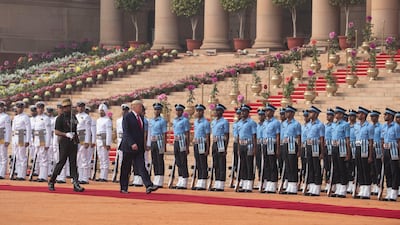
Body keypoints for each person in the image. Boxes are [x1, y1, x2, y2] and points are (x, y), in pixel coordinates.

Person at [119, 100, 158, 194]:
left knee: (141, 166)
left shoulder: (141, 118)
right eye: (140, 107)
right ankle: (123, 187)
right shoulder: (127, 117)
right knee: (126, 167)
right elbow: (126, 132)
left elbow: (142, 133)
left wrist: (143, 145)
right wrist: (132, 143)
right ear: (134, 107)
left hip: (139, 148)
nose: (141, 108)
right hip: (128, 147)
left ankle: (149, 185)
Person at [48, 98, 84, 192]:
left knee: (73, 163)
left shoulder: (73, 117)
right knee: (61, 162)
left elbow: (76, 128)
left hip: (73, 142)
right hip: (64, 142)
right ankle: (52, 180)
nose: (67, 109)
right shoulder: (60, 118)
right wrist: (66, 134)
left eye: (69, 107)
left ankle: (76, 183)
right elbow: (56, 131)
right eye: (66, 107)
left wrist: (76, 138)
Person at [280, 106, 301, 194]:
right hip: (285, 144)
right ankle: (289, 184)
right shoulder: (283, 123)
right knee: (287, 165)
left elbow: (299, 137)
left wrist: (299, 149)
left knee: (293, 165)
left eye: (288, 112)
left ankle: (293, 185)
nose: (286, 114)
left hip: (292, 144)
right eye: (286, 112)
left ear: (292, 113)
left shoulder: (296, 124)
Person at [354, 106, 374, 199]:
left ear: (364, 115)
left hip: (365, 148)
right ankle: (362, 188)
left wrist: (370, 155)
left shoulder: (369, 126)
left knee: (366, 169)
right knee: (360, 169)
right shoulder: (356, 125)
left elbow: (371, 141)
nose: (358, 115)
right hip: (358, 147)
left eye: (360, 113)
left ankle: (367, 189)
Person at [304, 106, 325, 196]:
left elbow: (322, 139)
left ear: (316, 114)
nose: (309, 114)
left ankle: (317, 187)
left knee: (316, 166)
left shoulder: (320, 125)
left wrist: (322, 152)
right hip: (308, 146)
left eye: (311, 112)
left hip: (316, 146)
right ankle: (311, 185)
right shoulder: (308, 125)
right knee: (310, 166)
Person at [331, 106, 350, 198]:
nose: (335, 115)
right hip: (334, 147)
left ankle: (343, 188)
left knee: (342, 168)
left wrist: (348, 152)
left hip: (342, 147)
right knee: (336, 168)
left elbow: (347, 139)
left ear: (342, 114)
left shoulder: (345, 124)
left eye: (337, 113)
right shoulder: (334, 124)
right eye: (335, 113)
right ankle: (338, 188)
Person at [237, 104, 257, 192]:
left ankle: (249, 183)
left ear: (248, 112)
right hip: (241, 145)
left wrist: (255, 148)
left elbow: (254, 136)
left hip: (249, 145)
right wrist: (238, 147)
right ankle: (244, 182)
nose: (242, 113)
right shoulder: (239, 123)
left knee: (249, 164)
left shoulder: (251, 123)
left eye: (244, 111)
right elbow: (238, 136)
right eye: (241, 111)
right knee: (243, 164)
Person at [381, 108, 399, 201]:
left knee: (394, 171)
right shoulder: (384, 127)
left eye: (386, 114)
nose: (385, 116)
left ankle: (394, 192)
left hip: (394, 150)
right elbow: (382, 140)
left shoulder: (396, 126)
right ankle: (389, 191)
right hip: (386, 150)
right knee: (387, 171)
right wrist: (383, 153)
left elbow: (399, 141)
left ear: (391, 116)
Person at [210, 104, 229, 191]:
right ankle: (216, 181)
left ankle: (221, 182)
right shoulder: (213, 122)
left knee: (221, 163)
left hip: (221, 143)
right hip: (214, 142)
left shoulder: (225, 122)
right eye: (216, 110)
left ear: (222, 112)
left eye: (218, 110)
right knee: (215, 163)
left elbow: (226, 135)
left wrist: (225, 147)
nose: (216, 112)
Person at [262, 104, 280, 193]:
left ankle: (273, 183)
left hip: (272, 144)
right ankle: (268, 182)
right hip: (265, 144)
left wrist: (277, 148)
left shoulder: (276, 122)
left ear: (272, 112)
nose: (266, 112)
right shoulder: (264, 122)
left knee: (272, 163)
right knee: (266, 164)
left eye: (268, 110)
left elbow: (277, 135)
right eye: (265, 111)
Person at [172, 104, 190, 189]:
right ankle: (180, 178)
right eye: (177, 110)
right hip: (176, 141)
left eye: (179, 110)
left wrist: (187, 146)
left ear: (182, 111)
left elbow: (187, 133)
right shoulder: (174, 120)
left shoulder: (185, 120)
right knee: (178, 161)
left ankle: (185, 179)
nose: (178, 112)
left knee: (183, 161)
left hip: (182, 141)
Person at [192, 104, 210, 190]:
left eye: (200, 111)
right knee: (198, 162)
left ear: (203, 112)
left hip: (203, 143)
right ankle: (199, 180)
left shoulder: (205, 122)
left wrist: (207, 148)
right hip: (196, 143)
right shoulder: (195, 121)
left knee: (203, 162)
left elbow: (207, 136)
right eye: (197, 110)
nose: (198, 112)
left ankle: (203, 180)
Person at [32, 102, 52, 182]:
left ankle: (43, 176)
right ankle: (40, 175)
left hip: (42, 137)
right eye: (38, 108)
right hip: (37, 138)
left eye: (41, 108)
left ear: (43, 109)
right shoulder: (36, 118)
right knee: (39, 158)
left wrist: (47, 143)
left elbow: (48, 132)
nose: (39, 110)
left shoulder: (46, 118)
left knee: (44, 158)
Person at [12, 101, 32, 180]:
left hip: (21, 136)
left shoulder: (25, 117)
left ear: (23, 108)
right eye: (18, 107)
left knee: (22, 156)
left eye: (20, 107)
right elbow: (13, 129)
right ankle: (18, 173)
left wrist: (28, 140)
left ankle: (22, 175)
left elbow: (28, 129)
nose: (19, 109)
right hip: (16, 137)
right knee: (17, 156)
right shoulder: (16, 117)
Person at [149, 103, 167, 187]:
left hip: (159, 141)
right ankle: (156, 176)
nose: (156, 111)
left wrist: (164, 145)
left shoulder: (162, 121)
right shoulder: (151, 120)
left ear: (160, 110)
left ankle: (160, 178)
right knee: (154, 159)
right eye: (155, 109)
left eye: (158, 109)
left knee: (160, 160)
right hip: (153, 141)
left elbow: (164, 134)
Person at [75, 101, 92, 184]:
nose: (80, 108)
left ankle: (85, 178)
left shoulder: (86, 117)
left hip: (83, 137)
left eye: (82, 106)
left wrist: (87, 141)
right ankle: (79, 177)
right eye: (79, 106)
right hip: (76, 138)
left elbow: (88, 130)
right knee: (78, 159)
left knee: (84, 158)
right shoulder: (75, 116)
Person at [96, 103, 112, 182]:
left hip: (104, 140)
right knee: (101, 159)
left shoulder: (107, 120)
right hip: (98, 140)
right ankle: (101, 175)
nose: (101, 112)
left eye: (102, 111)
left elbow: (109, 132)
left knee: (105, 159)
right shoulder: (98, 120)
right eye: (100, 111)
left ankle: (104, 176)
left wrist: (108, 143)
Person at [115, 104, 130, 182]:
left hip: (127, 142)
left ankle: (128, 177)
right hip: (120, 141)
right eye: (123, 110)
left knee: (128, 161)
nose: (124, 112)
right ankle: (121, 177)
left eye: (126, 110)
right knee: (121, 160)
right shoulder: (118, 120)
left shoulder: (130, 120)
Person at [370, 110, 382, 195]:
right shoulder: (370, 127)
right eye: (371, 116)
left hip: (378, 148)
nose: (372, 118)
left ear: (377, 117)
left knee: (378, 167)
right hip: (371, 148)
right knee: (372, 168)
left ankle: (378, 184)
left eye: (374, 116)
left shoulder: (381, 127)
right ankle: (374, 183)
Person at [323, 108, 335, 192]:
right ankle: (327, 182)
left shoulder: (334, 125)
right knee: (326, 165)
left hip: (332, 146)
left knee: (332, 165)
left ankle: (333, 183)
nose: (328, 116)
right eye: (327, 115)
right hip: (326, 146)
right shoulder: (325, 125)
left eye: (330, 115)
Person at [230, 108, 241, 188]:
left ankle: (241, 178)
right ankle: (236, 176)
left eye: (239, 113)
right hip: (235, 143)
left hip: (242, 143)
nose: (238, 115)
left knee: (242, 161)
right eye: (237, 114)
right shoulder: (235, 123)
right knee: (235, 161)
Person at [255, 108, 266, 189]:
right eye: (259, 115)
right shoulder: (257, 125)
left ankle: (265, 180)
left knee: (265, 163)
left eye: (262, 115)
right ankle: (260, 179)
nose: (260, 116)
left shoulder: (266, 124)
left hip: (265, 144)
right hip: (258, 144)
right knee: (258, 163)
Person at [0, 101, 11, 179]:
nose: (0, 108)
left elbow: (8, 129)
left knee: (3, 155)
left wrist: (7, 140)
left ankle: (2, 173)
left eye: (1, 107)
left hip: (2, 135)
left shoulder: (6, 116)